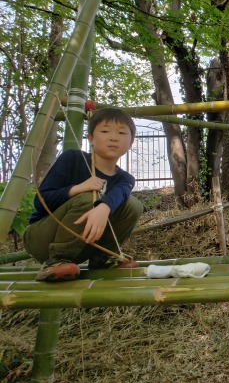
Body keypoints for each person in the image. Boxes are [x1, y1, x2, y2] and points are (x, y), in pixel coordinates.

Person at [24, 107, 143, 282]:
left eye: (122, 133)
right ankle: (56, 261)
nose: (113, 137)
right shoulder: (72, 158)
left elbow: (120, 196)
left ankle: (102, 258)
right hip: (43, 239)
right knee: (88, 198)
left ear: (131, 142)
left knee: (133, 205)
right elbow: (41, 202)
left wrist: (103, 208)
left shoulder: (125, 179)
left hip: (84, 246)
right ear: (90, 139)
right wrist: (77, 188)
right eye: (105, 131)